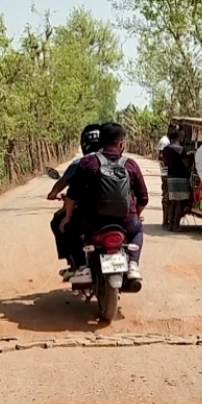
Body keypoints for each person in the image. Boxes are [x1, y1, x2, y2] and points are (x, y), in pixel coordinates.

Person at [61, 122, 149, 286]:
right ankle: (132, 265)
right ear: (122, 143)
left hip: (92, 221)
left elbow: (72, 195)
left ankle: (82, 267)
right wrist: (135, 215)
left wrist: (68, 217)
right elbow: (143, 198)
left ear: (100, 141)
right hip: (125, 221)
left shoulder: (87, 162)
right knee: (137, 230)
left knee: (69, 229)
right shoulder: (130, 164)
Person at [48, 125, 102, 280]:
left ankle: (75, 265)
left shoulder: (81, 163)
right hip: (116, 213)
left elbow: (66, 186)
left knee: (60, 223)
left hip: (87, 214)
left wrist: (53, 193)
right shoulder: (118, 160)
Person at [161, 127, 191, 231]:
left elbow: (164, 162)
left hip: (170, 177)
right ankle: (176, 224)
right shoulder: (181, 149)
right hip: (181, 178)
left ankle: (170, 225)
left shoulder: (166, 149)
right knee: (180, 202)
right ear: (181, 138)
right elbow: (186, 164)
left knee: (172, 202)